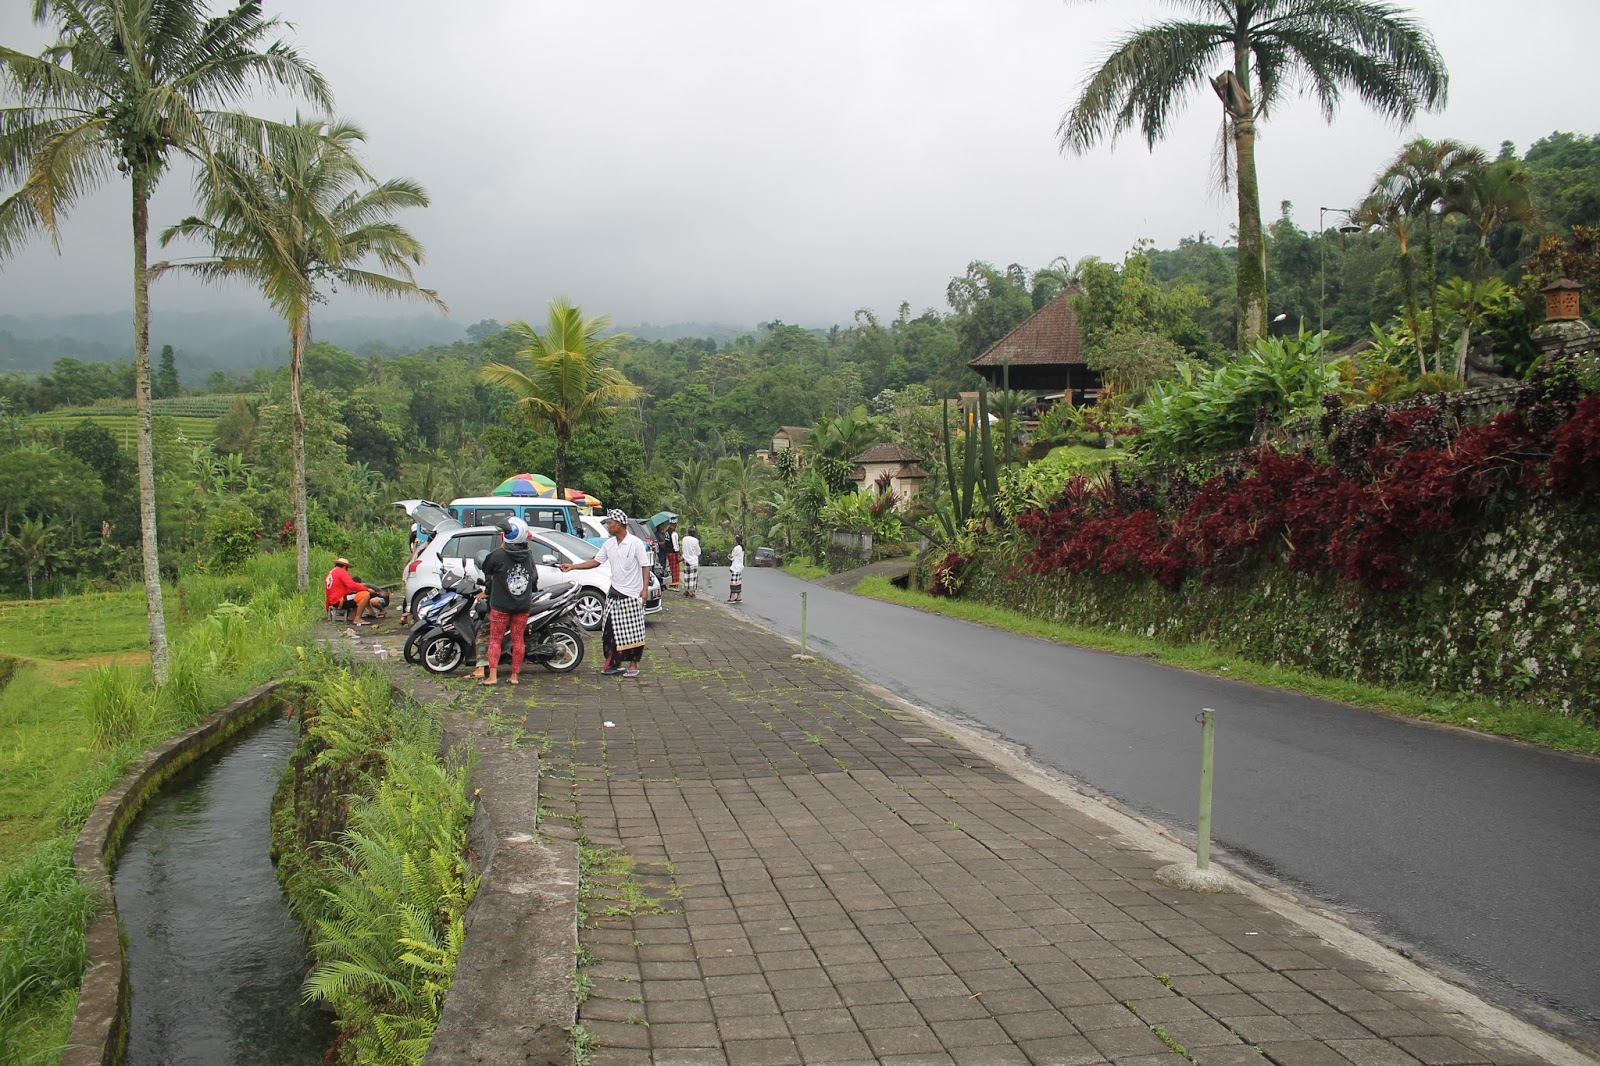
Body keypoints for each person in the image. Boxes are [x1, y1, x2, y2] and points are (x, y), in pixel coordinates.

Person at [562, 508, 649, 678]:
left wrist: (644, 590)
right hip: (614, 594)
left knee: (633, 633)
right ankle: (612, 664)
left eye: (610, 523)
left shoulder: (635, 543)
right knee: (609, 632)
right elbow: (595, 562)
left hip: (631, 595)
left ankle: (633, 664)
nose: (608, 526)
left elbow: (645, 566)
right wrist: (573, 566)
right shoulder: (609, 544)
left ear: (619, 524)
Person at [475, 520, 537, 686]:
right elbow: (534, 577)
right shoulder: (529, 555)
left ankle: (493, 677)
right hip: (522, 606)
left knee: (495, 639)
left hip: (500, 606)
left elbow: (486, 569)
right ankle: (515, 676)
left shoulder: (497, 555)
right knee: (518, 640)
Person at [324, 558, 373, 625]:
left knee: (357, 595)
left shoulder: (331, 573)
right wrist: (366, 589)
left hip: (333, 600)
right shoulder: (342, 571)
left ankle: (352, 616)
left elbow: (327, 592)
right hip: (340, 600)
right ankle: (357, 619)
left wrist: (327, 607)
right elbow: (351, 585)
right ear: (345, 566)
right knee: (365, 594)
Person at [680, 526, 701, 598]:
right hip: (693, 561)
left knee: (686, 576)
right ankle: (691, 592)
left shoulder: (684, 539)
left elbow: (683, 549)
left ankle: (686, 590)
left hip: (686, 560)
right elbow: (698, 552)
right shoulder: (695, 540)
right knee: (692, 577)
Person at [727, 535, 744, 604]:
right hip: (740, 567)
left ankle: (732, 597)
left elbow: (732, 557)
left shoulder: (736, 548)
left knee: (733, 583)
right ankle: (739, 597)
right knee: (738, 582)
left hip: (736, 567)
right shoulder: (742, 548)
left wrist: (728, 556)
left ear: (736, 540)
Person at [665, 519, 681, 589]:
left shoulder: (666, 532)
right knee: (675, 568)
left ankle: (673, 583)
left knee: (671, 568)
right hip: (673, 553)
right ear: (675, 524)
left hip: (668, 552)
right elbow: (676, 546)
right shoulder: (674, 534)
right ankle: (675, 584)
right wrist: (678, 555)